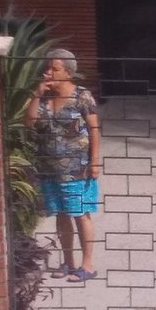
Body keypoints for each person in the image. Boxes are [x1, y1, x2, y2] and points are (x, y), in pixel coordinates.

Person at [26, 48, 101, 282]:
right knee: (61, 214)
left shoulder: (82, 96)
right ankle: (68, 262)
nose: (48, 72)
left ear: (68, 72)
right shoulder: (45, 98)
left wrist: (95, 161)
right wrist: (36, 95)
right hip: (49, 167)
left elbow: (94, 129)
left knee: (80, 214)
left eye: (54, 69)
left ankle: (87, 265)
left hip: (77, 169)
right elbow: (29, 124)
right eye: (47, 68)